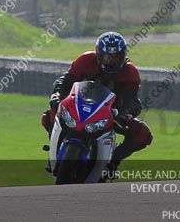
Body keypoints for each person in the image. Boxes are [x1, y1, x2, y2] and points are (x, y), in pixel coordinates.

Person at [41, 31, 153, 172]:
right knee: (49, 115)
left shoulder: (130, 72)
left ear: (124, 55)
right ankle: (54, 150)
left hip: (110, 115)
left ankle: (112, 162)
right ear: (99, 55)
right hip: (79, 107)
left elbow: (133, 100)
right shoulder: (86, 60)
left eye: (117, 56)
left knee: (142, 134)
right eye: (109, 56)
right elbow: (65, 80)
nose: (113, 61)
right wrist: (57, 95)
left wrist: (125, 114)